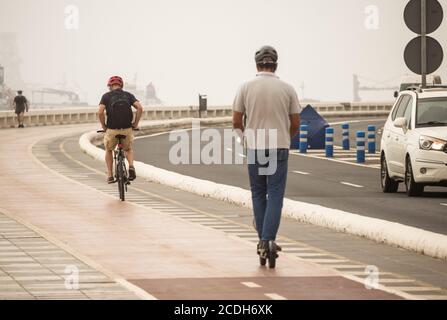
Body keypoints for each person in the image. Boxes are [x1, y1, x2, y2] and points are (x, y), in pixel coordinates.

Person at [232, 45, 301, 265]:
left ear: (257, 65)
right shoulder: (288, 89)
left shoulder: (245, 87)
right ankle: (268, 239)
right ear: (276, 65)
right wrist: (286, 139)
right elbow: (296, 122)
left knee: (258, 193)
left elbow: (236, 121)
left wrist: (245, 140)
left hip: (255, 147)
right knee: (275, 194)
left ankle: (263, 241)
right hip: (279, 147)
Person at [98, 76, 144, 184]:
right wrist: (135, 124)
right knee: (127, 149)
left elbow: (100, 112)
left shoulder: (106, 96)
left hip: (112, 129)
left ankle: (110, 175)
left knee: (109, 150)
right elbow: (140, 108)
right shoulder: (128, 95)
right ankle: (131, 166)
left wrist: (104, 126)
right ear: (121, 85)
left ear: (110, 86)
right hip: (127, 128)